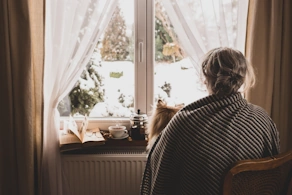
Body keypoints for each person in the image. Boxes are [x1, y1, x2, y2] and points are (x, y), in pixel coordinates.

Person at [140, 47, 280, 195]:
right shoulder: (262, 117)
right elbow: (272, 173)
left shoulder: (186, 121)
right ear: (242, 77)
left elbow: (161, 171)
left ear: (206, 78)